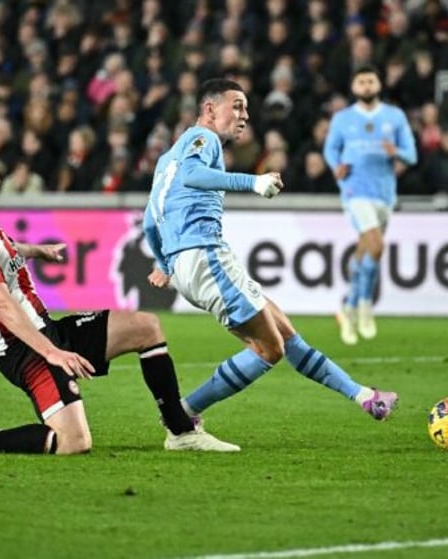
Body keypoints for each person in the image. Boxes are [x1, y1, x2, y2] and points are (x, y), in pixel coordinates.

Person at [0, 136, 238, 454]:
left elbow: (2, 251)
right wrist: (52, 353)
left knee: (146, 327)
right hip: (24, 348)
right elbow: (0, 302)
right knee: (73, 442)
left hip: (46, 330)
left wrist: (36, 251)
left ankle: (181, 432)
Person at [143, 79, 398, 439]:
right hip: (205, 256)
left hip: (190, 263)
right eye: (237, 105)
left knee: (284, 333)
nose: (245, 114)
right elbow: (192, 175)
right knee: (269, 349)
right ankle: (181, 414)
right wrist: (254, 182)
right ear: (209, 109)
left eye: (246, 107)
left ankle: (364, 397)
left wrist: (165, 263)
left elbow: (149, 220)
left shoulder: (167, 159)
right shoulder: (204, 140)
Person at [322, 65, 418, 345]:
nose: (366, 86)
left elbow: (411, 155)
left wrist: (396, 152)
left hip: (384, 192)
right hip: (354, 189)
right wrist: (335, 165)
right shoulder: (342, 118)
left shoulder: (394, 116)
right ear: (354, 87)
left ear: (378, 84)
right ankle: (365, 305)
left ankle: (348, 307)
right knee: (377, 245)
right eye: (361, 81)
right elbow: (330, 149)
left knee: (367, 249)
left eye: (370, 81)